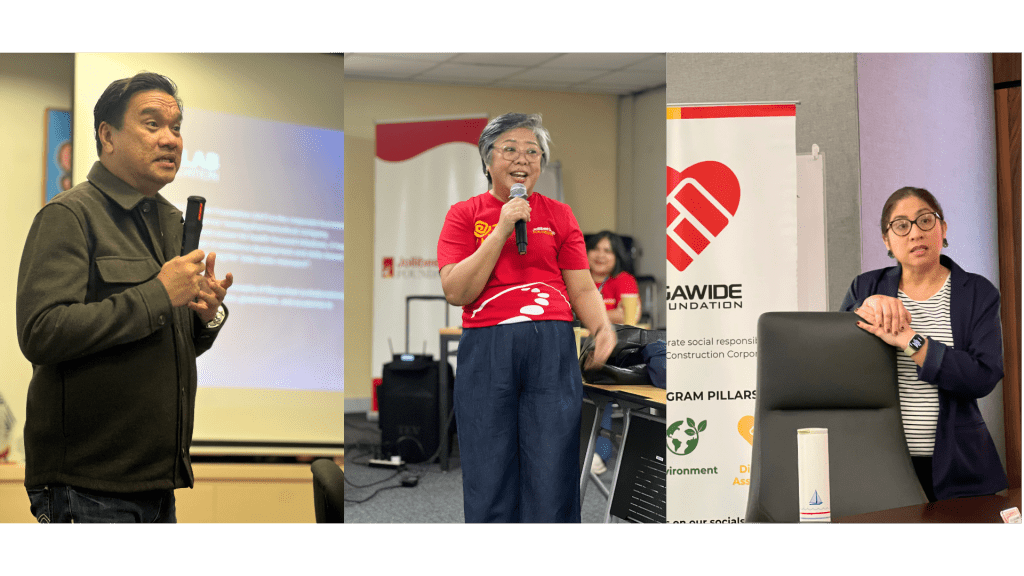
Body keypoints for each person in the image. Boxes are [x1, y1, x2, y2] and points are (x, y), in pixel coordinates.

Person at [16, 73, 233, 523]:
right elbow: (41, 332)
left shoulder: (171, 222)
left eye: (175, 127)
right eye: (152, 124)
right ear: (107, 135)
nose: (170, 139)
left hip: (155, 484)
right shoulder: (70, 215)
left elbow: (160, 342)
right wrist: (157, 294)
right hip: (87, 487)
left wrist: (204, 318)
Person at [436, 113, 615, 523]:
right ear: (487, 160)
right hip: (488, 347)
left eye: (533, 151)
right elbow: (455, 290)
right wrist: (500, 230)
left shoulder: (559, 215)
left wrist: (601, 326)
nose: (523, 159)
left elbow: (582, 288)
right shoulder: (464, 214)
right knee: (489, 463)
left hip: (551, 347)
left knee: (553, 463)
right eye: (510, 149)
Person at [840, 187, 1007, 502]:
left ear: (942, 229)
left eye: (925, 221)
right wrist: (866, 306)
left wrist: (910, 340)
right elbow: (839, 363)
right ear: (888, 242)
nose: (915, 232)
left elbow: (983, 376)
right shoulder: (866, 287)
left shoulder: (977, 292)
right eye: (901, 225)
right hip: (881, 463)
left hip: (959, 465)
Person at [586, 230, 641, 474]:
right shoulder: (577, 278)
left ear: (617, 256)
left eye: (608, 250)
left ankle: (600, 452)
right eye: (595, 249)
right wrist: (609, 314)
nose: (600, 255)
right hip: (576, 348)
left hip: (615, 351)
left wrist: (586, 312)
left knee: (600, 384)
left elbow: (630, 316)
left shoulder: (624, 279)